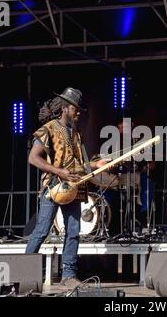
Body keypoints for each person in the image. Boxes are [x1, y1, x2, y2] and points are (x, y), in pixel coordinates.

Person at [25, 87, 108, 288]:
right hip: (53, 187)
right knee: (42, 230)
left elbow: (79, 166)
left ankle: (68, 275)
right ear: (64, 108)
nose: (78, 112)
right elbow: (33, 158)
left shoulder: (76, 135)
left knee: (73, 231)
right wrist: (58, 171)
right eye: (75, 108)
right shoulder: (48, 129)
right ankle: (24, 272)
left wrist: (96, 165)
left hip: (74, 188)